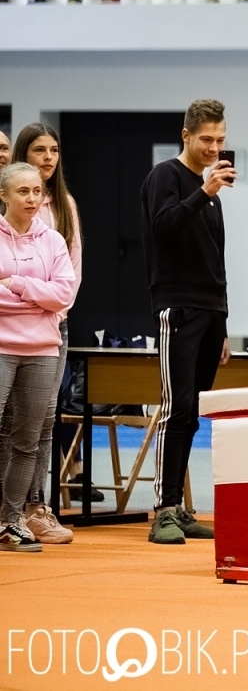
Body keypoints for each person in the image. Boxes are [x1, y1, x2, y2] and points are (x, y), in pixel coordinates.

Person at [141, 98, 233, 544]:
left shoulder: (207, 191)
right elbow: (163, 227)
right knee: (175, 408)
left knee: (193, 413)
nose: (214, 147)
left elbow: (215, 259)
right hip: (177, 306)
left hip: (210, 311)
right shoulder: (167, 177)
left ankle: (180, 506)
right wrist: (205, 192)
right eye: (206, 140)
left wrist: (224, 321)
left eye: (220, 139)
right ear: (186, 136)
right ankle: (163, 509)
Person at [0, 123, 81, 545]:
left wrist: (17, 286)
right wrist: (38, 296)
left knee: (31, 435)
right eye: (23, 192)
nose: (32, 199)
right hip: (3, 345)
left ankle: (15, 517)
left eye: (36, 193)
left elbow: (64, 290)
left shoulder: (54, 235)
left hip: (45, 344)